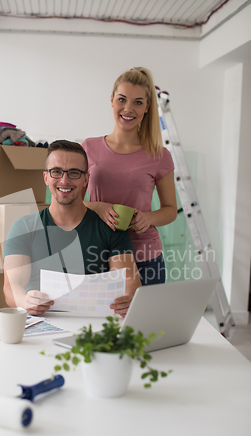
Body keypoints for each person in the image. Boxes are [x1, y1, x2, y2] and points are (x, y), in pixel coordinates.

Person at [3, 140, 141, 317]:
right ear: (46, 177)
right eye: (56, 172)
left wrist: (129, 298)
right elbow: (12, 287)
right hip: (39, 326)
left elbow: (129, 282)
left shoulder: (110, 228)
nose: (64, 180)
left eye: (74, 173)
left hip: (94, 328)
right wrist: (24, 301)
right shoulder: (23, 227)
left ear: (86, 179)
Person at [82, 66, 177, 286]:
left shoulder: (159, 155)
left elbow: (170, 210)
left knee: (144, 321)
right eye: (122, 99)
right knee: (99, 321)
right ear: (112, 100)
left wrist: (148, 218)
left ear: (147, 108)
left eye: (138, 102)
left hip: (145, 258)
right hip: (98, 253)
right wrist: (98, 207)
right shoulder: (88, 148)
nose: (128, 108)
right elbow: (71, 201)